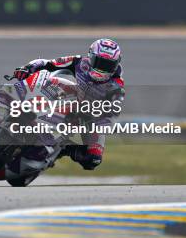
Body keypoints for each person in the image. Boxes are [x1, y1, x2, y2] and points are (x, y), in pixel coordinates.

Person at [9, 38, 125, 171]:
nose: (101, 68)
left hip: (88, 117)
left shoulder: (117, 85)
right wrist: (27, 68)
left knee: (93, 159)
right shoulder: (79, 62)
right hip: (65, 97)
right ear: (90, 57)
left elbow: (112, 115)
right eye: (99, 62)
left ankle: (63, 150)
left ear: (115, 65)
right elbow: (47, 63)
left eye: (107, 65)